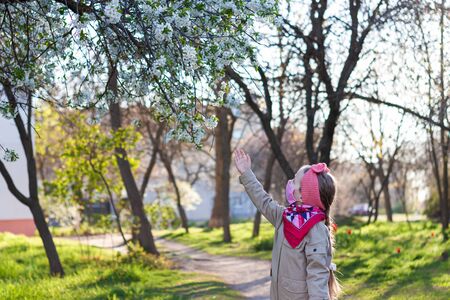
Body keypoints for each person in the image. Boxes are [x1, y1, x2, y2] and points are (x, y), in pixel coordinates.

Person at [234, 148, 341, 300]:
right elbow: (263, 201)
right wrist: (246, 173)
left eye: (294, 181)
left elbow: (317, 275)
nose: (289, 183)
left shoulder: (316, 229)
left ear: (303, 195)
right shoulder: (285, 217)